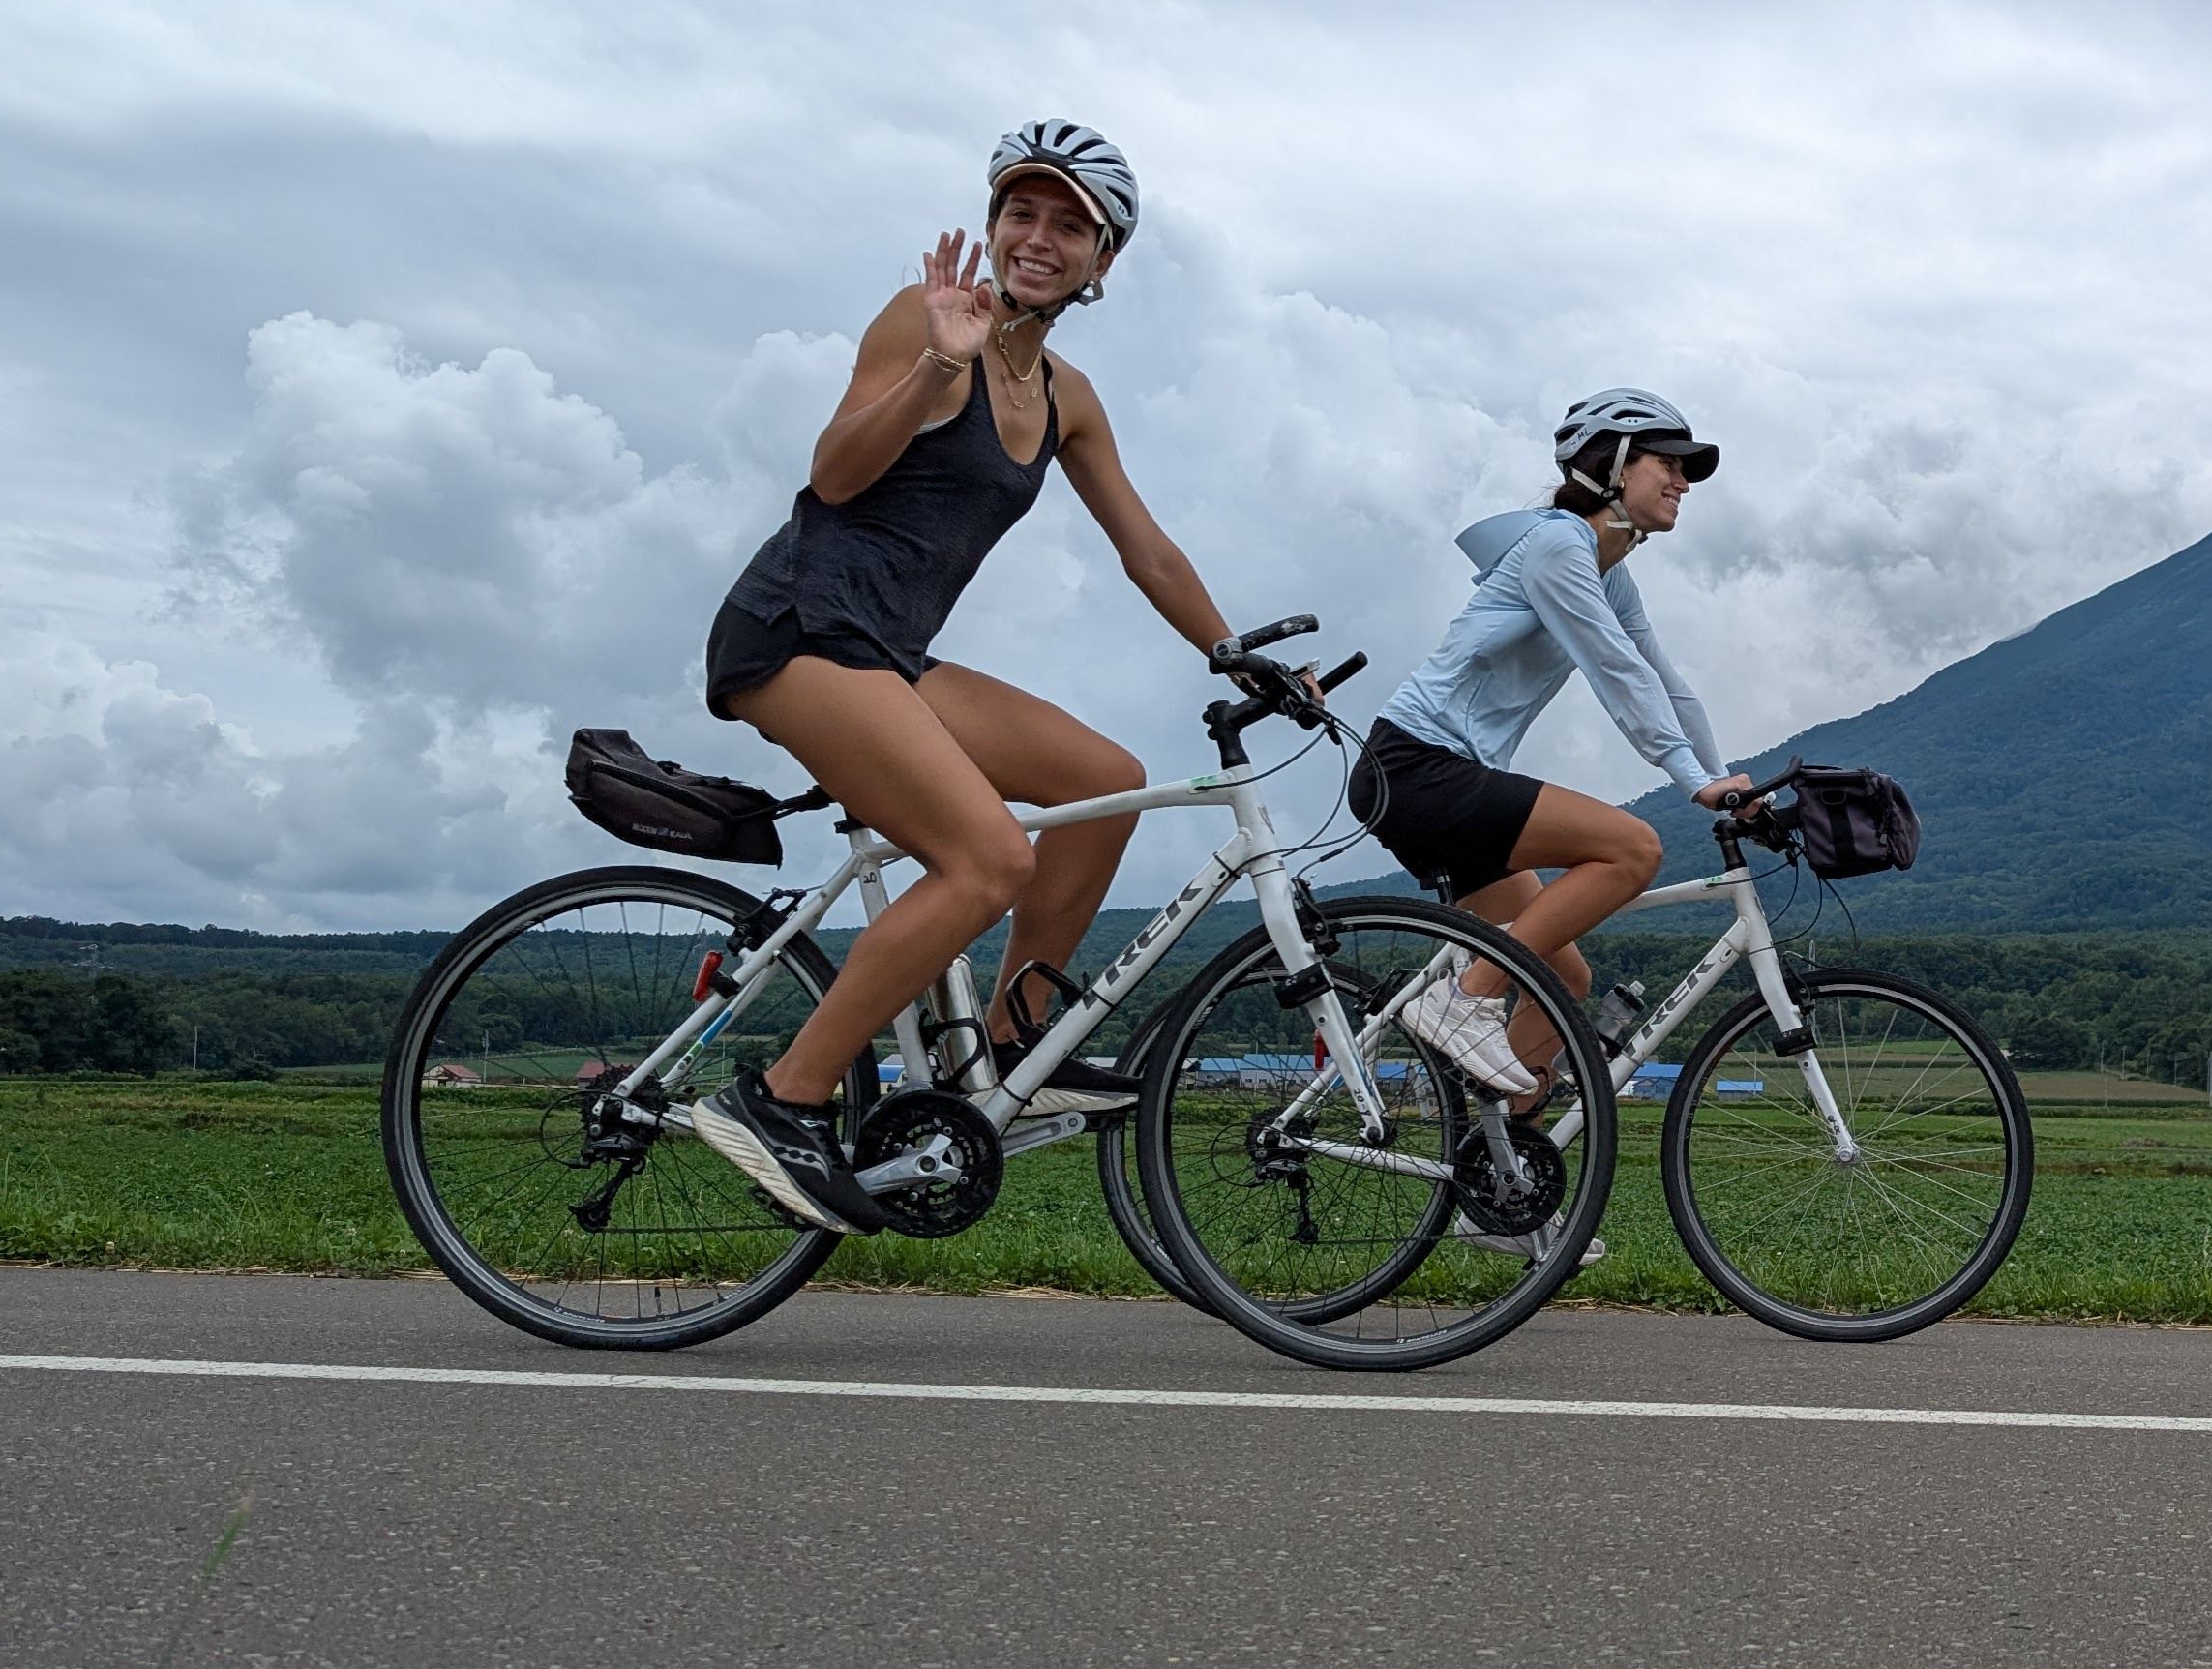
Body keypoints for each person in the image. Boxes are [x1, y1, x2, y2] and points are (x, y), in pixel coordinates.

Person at [688, 121, 1271, 1234]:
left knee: (1106, 784)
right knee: (987, 859)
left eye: (1069, 225)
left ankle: (1013, 1045)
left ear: (1105, 262)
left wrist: (1234, 650)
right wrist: (936, 369)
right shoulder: (925, 321)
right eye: (1022, 213)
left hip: (892, 656)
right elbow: (833, 472)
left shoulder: (1069, 395)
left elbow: (1145, 546)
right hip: (800, 632)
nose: (1038, 238)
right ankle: (782, 1098)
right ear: (994, 222)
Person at [1349, 389, 1750, 1095]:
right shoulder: (1557, 545)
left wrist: (1724, 780)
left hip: (1438, 776)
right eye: (1670, 463)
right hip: (1415, 766)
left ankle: (1504, 1182)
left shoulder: (1608, 572)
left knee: (1564, 977)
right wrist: (1691, 780)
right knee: (1632, 848)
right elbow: (1615, 671)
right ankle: (1462, 999)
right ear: (1616, 466)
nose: (1684, 481)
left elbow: (1667, 682)